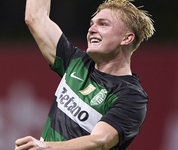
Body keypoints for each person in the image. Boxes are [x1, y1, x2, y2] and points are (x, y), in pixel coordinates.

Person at [15, 0, 155, 149]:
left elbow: (100, 141)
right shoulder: (76, 62)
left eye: (103, 24)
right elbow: (35, 17)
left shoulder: (131, 96)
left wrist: (46, 147)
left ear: (127, 38)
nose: (92, 29)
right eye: (92, 24)